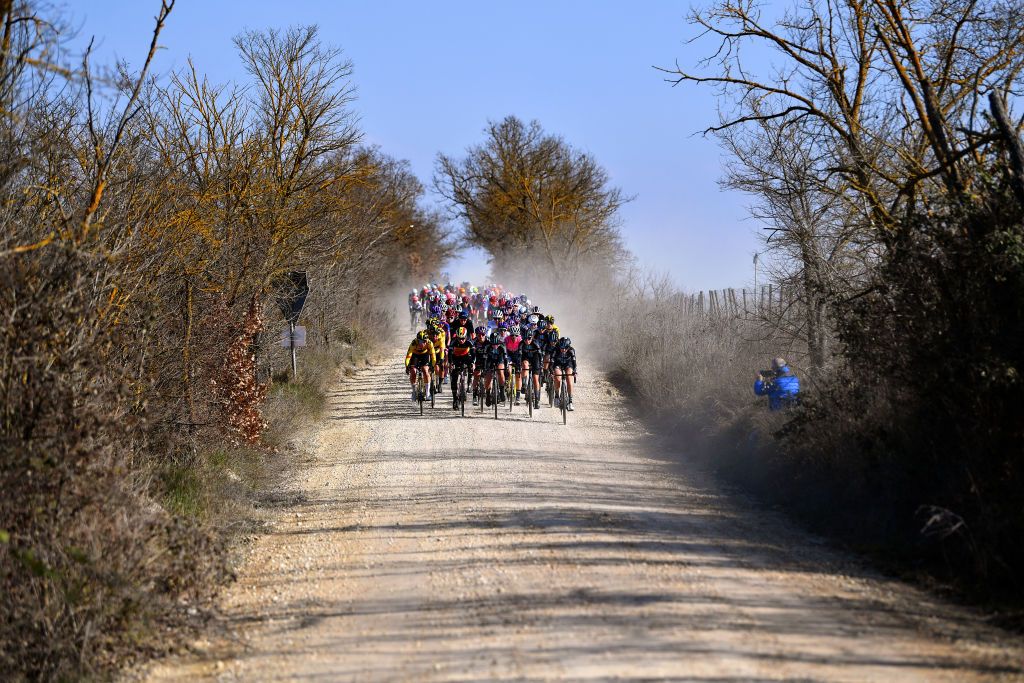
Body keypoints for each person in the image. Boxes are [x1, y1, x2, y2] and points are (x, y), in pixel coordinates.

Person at [448, 326, 476, 409]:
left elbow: (474, 354)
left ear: (466, 336)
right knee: (454, 377)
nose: (461, 340)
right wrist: (451, 363)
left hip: (466, 357)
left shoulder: (469, 342)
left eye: (463, 338)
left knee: (471, 365)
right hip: (456, 358)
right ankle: (455, 399)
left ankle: (469, 381)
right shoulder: (453, 342)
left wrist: (473, 363)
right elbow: (449, 354)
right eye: (459, 338)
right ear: (457, 337)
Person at [404, 331, 437, 401]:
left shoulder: (429, 343)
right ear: (417, 340)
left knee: (425, 370)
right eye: (420, 341)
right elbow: (408, 357)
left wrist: (432, 365)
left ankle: (428, 393)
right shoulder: (413, 343)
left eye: (424, 341)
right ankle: (414, 391)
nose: (422, 343)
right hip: (415, 356)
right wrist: (407, 366)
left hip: (425, 355)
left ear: (426, 340)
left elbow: (433, 357)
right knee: (413, 371)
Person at [551, 336, 577, 410]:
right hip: (558, 364)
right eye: (562, 348)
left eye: (565, 348)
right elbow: (551, 363)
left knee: (569, 378)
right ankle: (556, 396)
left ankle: (570, 401)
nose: (563, 350)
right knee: (557, 377)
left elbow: (574, 363)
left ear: (569, 347)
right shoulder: (555, 350)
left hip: (568, 364)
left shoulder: (571, 350)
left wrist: (574, 371)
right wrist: (551, 372)